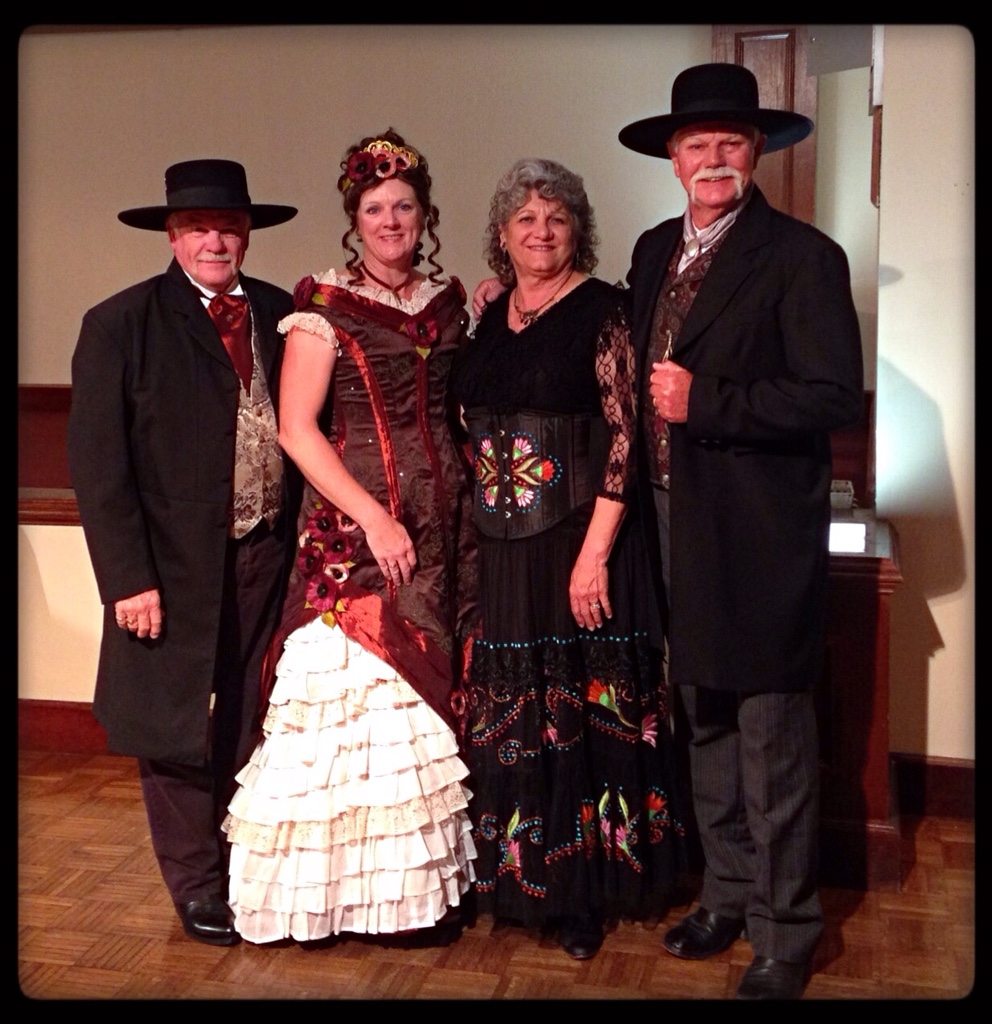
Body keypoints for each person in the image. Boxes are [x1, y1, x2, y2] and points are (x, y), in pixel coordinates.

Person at [618, 63, 864, 999]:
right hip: (669, 521)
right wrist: (503, 297)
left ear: (756, 151)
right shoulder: (652, 249)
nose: (713, 157)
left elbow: (830, 395)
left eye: (731, 142)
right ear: (673, 157)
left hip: (759, 534)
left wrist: (707, 400)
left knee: (771, 734)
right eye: (697, 143)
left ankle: (784, 930)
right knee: (705, 720)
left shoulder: (804, 257)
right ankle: (723, 895)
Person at [222, 130, 478, 944]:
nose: (390, 220)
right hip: (355, 523)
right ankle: (327, 900)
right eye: (374, 209)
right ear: (354, 220)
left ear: (424, 215)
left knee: (424, 704)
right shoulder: (323, 309)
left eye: (403, 206)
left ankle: (409, 902)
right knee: (356, 698)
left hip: (445, 521)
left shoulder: (449, 302)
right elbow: (297, 429)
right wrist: (372, 516)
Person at [451, 158, 685, 961]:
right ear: (503, 233)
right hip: (505, 550)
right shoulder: (492, 314)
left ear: (577, 229)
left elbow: (625, 437)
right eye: (526, 218)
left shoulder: (605, 310)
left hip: (583, 542)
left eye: (556, 218)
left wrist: (594, 557)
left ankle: (584, 895)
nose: (541, 231)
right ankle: (526, 880)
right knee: (522, 720)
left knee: (580, 718)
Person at [67, 159, 300, 946]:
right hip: (168, 569)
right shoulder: (120, 323)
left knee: (250, 718)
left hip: (267, 553)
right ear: (171, 236)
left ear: (247, 235)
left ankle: (239, 867)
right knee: (174, 728)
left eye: (228, 227)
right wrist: (127, 580)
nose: (214, 241)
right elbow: (99, 466)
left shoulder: (280, 312)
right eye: (198, 227)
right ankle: (196, 885)